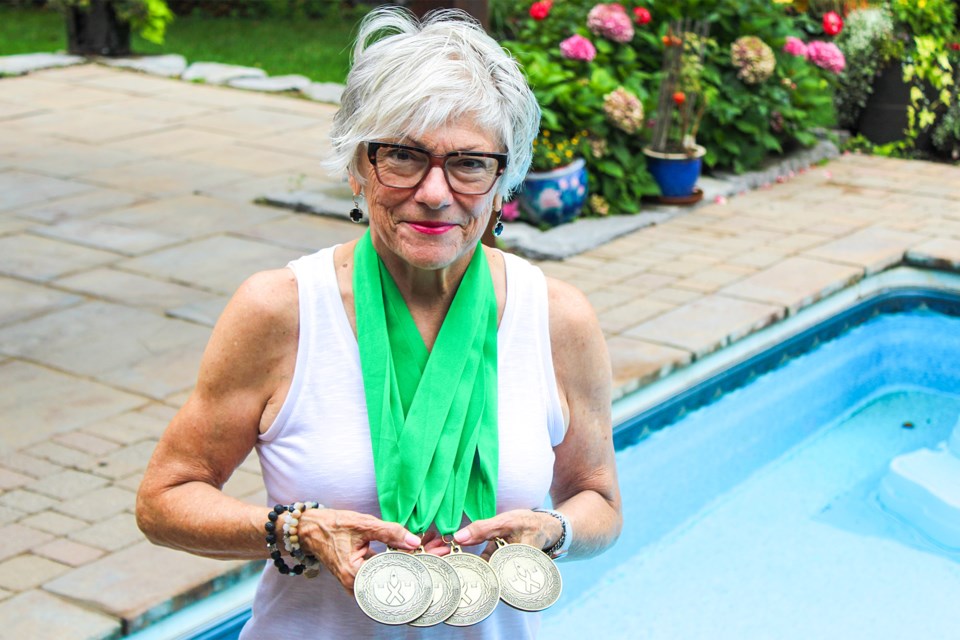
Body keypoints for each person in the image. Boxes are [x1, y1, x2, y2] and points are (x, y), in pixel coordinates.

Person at [136, 7, 621, 639]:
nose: (435, 192)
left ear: (505, 183)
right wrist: (295, 529)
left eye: (469, 163)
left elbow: (600, 502)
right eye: (403, 156)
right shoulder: (281, 309)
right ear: (358, 167)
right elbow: (164, 499)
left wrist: (554, 531)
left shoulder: (558, 318)